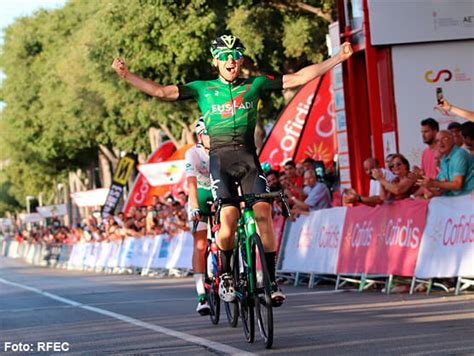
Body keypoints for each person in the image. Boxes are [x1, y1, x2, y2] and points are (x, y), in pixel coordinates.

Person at [112, 34, 353, 305]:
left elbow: (297, 77)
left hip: (249, 159)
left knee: (263, 212)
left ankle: (271, 281)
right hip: (220, 161)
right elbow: (162, 92)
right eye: (225, 56)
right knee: (228, 218)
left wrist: (336, 58)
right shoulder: (203, 88)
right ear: (215, 61)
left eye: (236, 55)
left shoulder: (255, 84)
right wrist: (127, 75)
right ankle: (225, 273)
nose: (231, 61)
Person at [184, 118, 213, 315]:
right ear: (200, 136)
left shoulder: (222, 150)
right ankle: (202, 295)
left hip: (219, 192)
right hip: (201, 194)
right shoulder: (193, 153)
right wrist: (194, 207)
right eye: (209, 134)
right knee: (201, 245)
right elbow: (192, 184)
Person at [417, 130, 474, 196]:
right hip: (453, 199)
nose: (440, 143)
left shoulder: (459, 155)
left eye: (444, 139)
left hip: (467, 197)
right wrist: (427, 184)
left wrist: (434, 183)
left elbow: (457, 185)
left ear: (452, 140)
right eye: (437, 141)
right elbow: (439, 191)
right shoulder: (444, 159)